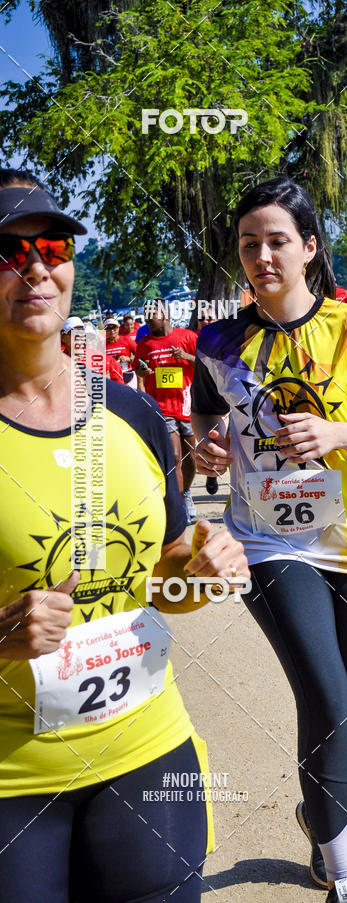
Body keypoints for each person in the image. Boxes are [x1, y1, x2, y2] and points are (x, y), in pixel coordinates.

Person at [0, 167, 249, 902]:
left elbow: (164, 581)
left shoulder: (133, 413)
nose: (37, 267)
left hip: (147, 749)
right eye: (9, 253)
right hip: (14, 775)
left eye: (51, 246)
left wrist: (199, 574)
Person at [191, 176, 347, 903]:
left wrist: (335, 432)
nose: (262, 255)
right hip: (269, 541)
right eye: (248, 244)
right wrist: (207, 450)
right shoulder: (221, 343)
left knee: (341, 703)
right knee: (326, 699)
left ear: (309, 248)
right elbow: (210, 428)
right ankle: (345, 876)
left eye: (276, 241)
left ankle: (317, 816)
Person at [132, 301, 200, 524]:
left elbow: (207, 362)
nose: (148, 319)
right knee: (175, 456)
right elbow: (137, 367)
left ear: (166, 314)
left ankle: (187, 492)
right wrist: (141, 371)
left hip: (187, 404)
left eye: (152, 314)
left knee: (192, 456)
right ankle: (179, 505)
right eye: (145, 315)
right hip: (161, 407)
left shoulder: (187, 337)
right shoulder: (145, 343)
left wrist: (186, 357)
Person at [61, 315, 125, 383]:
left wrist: (109, 385)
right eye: (73, 331)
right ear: (62, 337)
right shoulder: (58, 363)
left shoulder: (103, 359)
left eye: (81, 330)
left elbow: (121, 389)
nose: (78, 334)